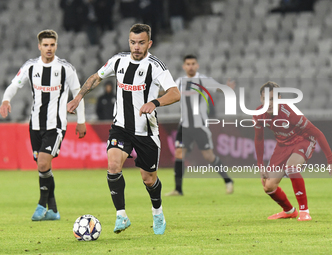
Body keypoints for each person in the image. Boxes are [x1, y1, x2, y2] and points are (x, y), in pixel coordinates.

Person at [67, 24, 180, 235]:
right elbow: (96, 77)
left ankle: (157, 213)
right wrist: (78, 96)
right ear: (129, 42)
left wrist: (154, 102)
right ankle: (121, 215)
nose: (136, 47)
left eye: (141, 43)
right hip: (120, 127)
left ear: (150, 43)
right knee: (113, 166)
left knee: (149, 178)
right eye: (133, 42)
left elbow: (175, 93)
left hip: (146, 131)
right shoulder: (118, 60)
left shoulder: (155, 66)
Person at [0, 29, 86, 221]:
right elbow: (15, 84)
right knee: (43, 168)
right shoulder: (31, 66)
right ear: (39, 46)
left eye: (52, 45)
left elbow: (78, 93)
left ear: (56, 45)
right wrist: (6, 99)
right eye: (45, 45)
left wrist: (81, 121)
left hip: (56, 125)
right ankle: (53, 209)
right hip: (35, 125)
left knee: (43, 163)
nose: (49, 48)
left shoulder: (65, 68)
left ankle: (41, 205)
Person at [253, 81, 332, 221]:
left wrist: (330, 160)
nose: (269, 103)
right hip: (283, 145)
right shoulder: (258, 115)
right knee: (268, 186)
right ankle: (289, 211)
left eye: (272, 99)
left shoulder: (290, 112)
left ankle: (304, 211)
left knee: (292, 167)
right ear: (260, 99)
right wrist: (260, 165)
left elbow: (318, 133)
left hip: (303, 140)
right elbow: (259, 139)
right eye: (265, 99)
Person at [165, 55, 235, 197]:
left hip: (200, 126)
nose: (190, 66)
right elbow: (166, 93)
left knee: (208, 156)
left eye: (193, 63)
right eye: (188, 64)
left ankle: (228, 180)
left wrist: (226, 89)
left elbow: (219, 89)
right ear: (184, 67)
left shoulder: (203, 80)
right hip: (184, 126)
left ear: (197, 66)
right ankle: (178, 189)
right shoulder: (179, 82)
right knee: (179, 154)